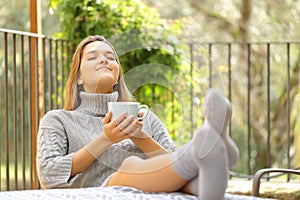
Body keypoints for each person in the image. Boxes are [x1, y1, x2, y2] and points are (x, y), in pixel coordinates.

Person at [36, 35, 239, 199]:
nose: (104, 60)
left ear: (117, 74)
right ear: (78, 77)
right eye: (92, 57)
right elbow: (48, 174)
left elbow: (169, 162)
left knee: (189, 179)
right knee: (128, 166)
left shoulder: (144, 116)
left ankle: (208, 162)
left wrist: (140, 136)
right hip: (106, 188)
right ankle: (204, 147)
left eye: (111, 57)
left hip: (158, 187)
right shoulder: (58, 120)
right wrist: (106, 139)